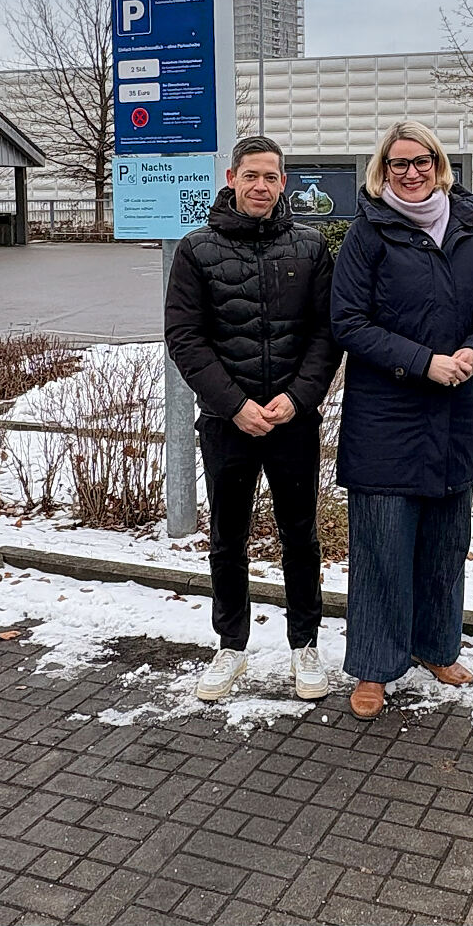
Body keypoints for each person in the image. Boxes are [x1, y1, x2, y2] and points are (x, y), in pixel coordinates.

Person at [331, 120, 473, 720]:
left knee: (444, 543)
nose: (413, 172)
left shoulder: (470, 230)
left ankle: (436, 646)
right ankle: (375, 667)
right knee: (382, 547)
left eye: (423, 161)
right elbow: (348, 322)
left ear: (440, 165)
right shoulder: (367, 234)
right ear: (383, 170)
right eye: (400, 162)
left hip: (455, 411)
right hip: (387, 417)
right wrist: (423, 362)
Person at [164, 135, 342, 703]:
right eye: (251, 176)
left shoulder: (311, 249)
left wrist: (299, 398)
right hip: (226, 423)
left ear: (283, 182)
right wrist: (234, 405)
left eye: (271, 177)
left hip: (292, 420)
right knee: (228, 539)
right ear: (232, 180)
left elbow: (326, 332)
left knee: (299, 536)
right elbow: (186, 339)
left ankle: (304, 645)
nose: (261, 186)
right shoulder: (197, 249)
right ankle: (230, 645)